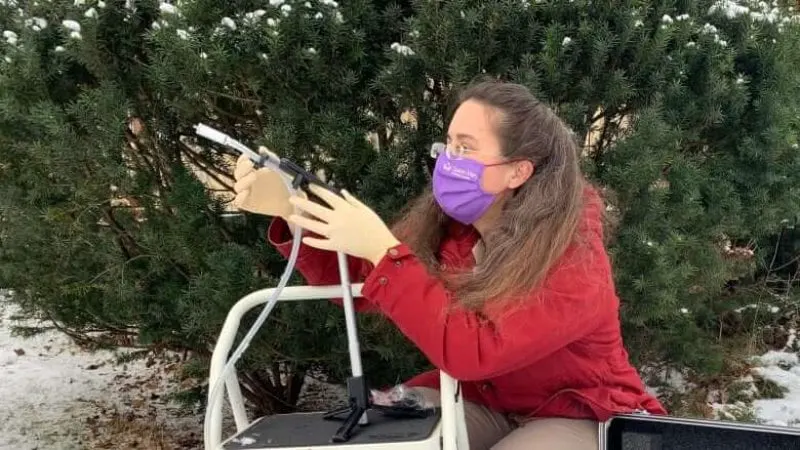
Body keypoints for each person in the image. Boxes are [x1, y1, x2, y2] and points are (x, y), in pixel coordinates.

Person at [231, 80, 666, 450]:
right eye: (449, 144)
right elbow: (366, 283)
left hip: (581, 411)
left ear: (517, 172)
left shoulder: (574, 257)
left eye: (466, 148)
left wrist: (387, 254)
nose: (447, 160)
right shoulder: (454, 230)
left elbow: (477, 352)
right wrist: (294, 211)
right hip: (483, 400)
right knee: (383, 437)